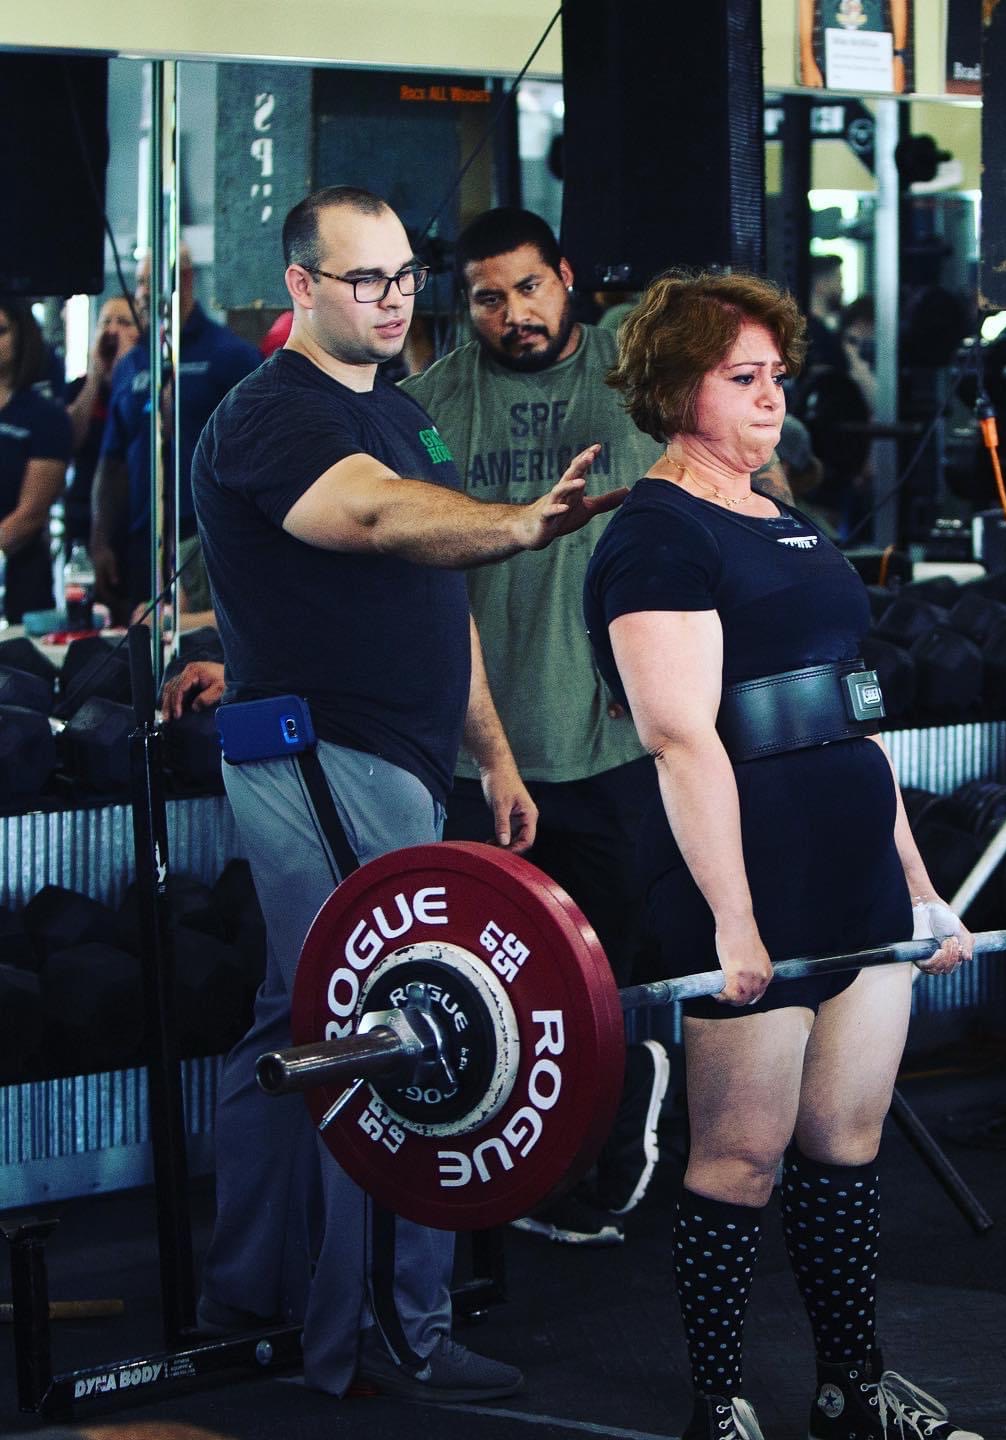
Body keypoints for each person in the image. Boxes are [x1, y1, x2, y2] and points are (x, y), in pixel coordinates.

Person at [187, 184, 621, 1403]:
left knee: (301, 1025)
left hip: (404, 758)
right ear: (302, 289)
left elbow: (442, 593)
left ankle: (256, 1290)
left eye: (401, 278)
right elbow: (376, 523)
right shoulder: (273, 416)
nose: (391, 299)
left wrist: (492, 753)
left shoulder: (407, 415)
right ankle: (384, 1334)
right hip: (321, 755)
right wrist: (519, 522)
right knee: (394, 1033)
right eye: (362, 279)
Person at [583, 270, 982, 1440]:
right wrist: (735, 924)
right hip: (748, 880)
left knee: (845, 1145)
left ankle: (853, 1389)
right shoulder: (655, 533)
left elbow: (851, 725)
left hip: (856, 867)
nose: (771, 401)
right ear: (672, 390)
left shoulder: (789, 518)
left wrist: (919, 888)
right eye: (741, 379)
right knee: (743, 1157)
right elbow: (679, 738)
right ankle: (722, 1400)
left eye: (776, 378)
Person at [399, 208, 670, 1247]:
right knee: (501, 979)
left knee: (611, 965)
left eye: (528, 288)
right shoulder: (430, 410)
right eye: (487, 297)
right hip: (480, 742)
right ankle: (534, 1183)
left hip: (612, 733)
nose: (513, 314)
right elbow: (354, 498)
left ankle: (608, 1148)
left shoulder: (634, 371)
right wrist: (197, 607)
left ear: (567, 277)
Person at [91, 246, 262, 620]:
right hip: (141, 532)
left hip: (205, 534)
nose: (141, 294)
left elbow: (258, 449)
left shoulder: (231, 355)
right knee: (135, 635)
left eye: (148, 283)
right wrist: (100, 539)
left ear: (184, 280)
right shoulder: (133, 363)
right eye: (137, 283)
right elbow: (112, 457)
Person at [0, 297, 71, 623]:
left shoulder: (44, 417)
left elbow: (30, 515)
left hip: (20, 576)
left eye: (0, 331)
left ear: (21, 337)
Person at [63, 294, 140, 549]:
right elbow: (70, 440)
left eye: (124, 322)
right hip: (83, 514)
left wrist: (127, 370)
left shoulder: (142, 387)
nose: (112, 330)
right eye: (106, 322)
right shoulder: (79, 388)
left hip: (132, 516)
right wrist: (95, 377)